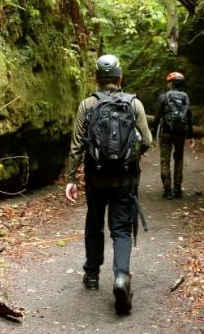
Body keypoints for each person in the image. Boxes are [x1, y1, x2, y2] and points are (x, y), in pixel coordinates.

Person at [63, 54, 152, 315]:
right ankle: (122, 277)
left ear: (97, 79)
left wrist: (71, 179)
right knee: (122, 228)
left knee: (94, 221)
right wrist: (129, 157)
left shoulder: (87, 105)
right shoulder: (134, 104)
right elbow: (146, 140)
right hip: (125, 179)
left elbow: (76, 147)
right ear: (120, 77)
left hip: (95, 178)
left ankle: (91, 275)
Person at [154, 71, 195, 199]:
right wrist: (190, 135)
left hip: (166, 133)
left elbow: (156, 117)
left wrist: (153, 133)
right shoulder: (185, 97)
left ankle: (167, 190)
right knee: (179, 159)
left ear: (171, 83)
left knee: (164, 160)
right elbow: (189, 117)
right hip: (180, 134)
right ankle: (177, 189)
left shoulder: (163, 97)